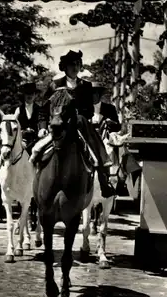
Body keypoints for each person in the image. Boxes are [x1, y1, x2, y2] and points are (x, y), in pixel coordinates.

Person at [34, 50, 115, 197]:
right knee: (35, 150)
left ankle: (104, 182)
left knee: (96, 148)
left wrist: (78, 116)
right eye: (72, 64)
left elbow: (89, 111)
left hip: (79, 125)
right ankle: (35, 183)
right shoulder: (54, 85)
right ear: (65, 66)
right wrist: (42, 127)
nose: (75, 67)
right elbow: (43, 111)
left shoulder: (86, 86)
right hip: (58, 125)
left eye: (78, 64)